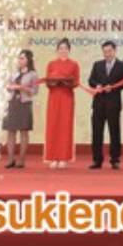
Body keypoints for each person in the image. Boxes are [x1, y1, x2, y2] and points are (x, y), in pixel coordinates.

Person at [88, 40, 123, 170]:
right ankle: (97, 160)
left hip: (114, 103)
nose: (107, 54)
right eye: (105, 52)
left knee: (114, 132)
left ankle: (115, 160)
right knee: (97, 132)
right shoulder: (97, 65)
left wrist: (114, 88)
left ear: (115, 51)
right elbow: (91, 80)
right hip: (98, 103)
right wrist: (97, 85)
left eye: (110, 51)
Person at [44, 38, 80, 169]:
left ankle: (64, 157)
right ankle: (53, 157)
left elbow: (76, 82)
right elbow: (47, 81)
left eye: (65, 48)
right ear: (57, 50)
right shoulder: (51, 64)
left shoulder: (74, 64)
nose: (62, 50)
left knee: (65, 127)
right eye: (60, 48)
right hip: (54, 97)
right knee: (53, 126)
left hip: (66, 97)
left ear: (69, 50)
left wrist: (67, 82)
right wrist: (53, 82)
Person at [3, 49, 38, 169]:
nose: (20, 60)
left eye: (22, 58)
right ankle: (10, 159)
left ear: (28, 60)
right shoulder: (14, 73)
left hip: (24, 103)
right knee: (10, 131)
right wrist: (9, 87)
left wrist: (23, 88)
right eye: (19, 58)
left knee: (24, 131)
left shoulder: (33, 74)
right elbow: (7, 85)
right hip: (12, 102)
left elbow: (34, 91)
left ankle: (21, 160)